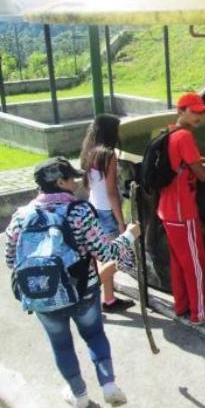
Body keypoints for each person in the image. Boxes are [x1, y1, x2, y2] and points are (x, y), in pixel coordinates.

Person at [4, 157, 140, 408]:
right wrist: (129, 236)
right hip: (83, 291)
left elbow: (11, 260)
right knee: (94, 334)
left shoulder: (21, 216)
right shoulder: (78, 211)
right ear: (59, 182)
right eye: (71, 178)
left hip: (42, 296)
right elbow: (106, 253)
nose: (76, 182)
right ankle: (109, 385)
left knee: (61, 345)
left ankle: (78, 395)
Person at [157, 92, 205, 324]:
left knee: (179, 263)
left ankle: (182, 307)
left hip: (167, 210)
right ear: (181, 111)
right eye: (194, 111)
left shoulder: (169, 133)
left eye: (201, 112)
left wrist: (201, 161)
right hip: (182, 211)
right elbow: (203, 175)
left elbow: (186, 166)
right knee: (196, 264)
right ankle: (201, 313)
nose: (199, 116)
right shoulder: (185, 137)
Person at [79, 114, 135, 313]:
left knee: (102, 258)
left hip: (93, 207)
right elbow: (112, 192)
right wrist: (121, 222)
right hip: (106, 211)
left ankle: (109, 300)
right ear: (111, 132)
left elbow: (91, 185)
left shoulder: (90, 151)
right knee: (116, 258)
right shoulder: (108, 154)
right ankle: (86, 296)